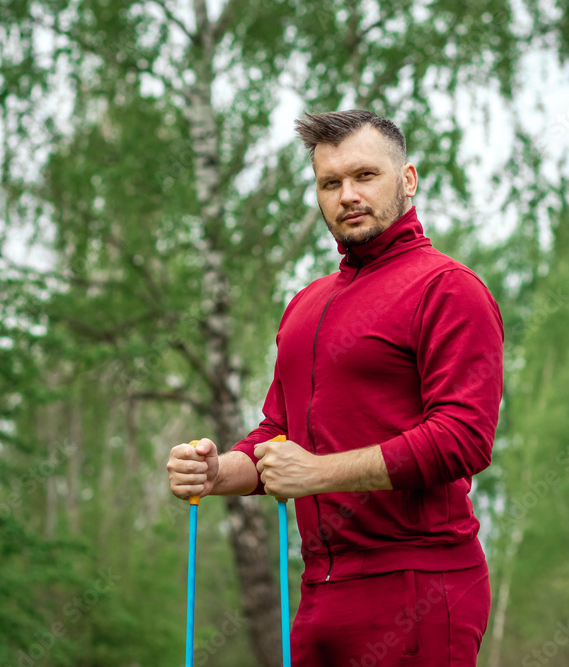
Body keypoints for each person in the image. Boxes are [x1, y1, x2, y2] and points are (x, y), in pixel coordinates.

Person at [167, 109, 504, 666]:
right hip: (319, 590)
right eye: (330, 183)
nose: (348, 195)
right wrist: (216, 472)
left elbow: (462, 439)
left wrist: (319, 473)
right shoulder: (305, 305)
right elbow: (278, 436)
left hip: (419, 584)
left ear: (408, 179)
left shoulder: (449, 289)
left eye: (365, 176)